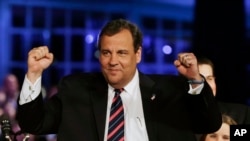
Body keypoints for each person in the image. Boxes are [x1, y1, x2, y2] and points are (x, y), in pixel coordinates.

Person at [16, 19, 221, 141]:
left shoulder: (170, 91)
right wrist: (33, 74)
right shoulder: (75, 89)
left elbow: (209, 123)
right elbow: (33, 124)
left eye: (122, 53)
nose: (113, 61)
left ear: (137, 54)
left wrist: (195, 79)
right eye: (106, 53)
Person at [198, 56, 250, 124]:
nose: (207, 85)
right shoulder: (180, 118)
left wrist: (229, 133)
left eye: (209, 79)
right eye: (198, 80)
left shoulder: (242, 114)